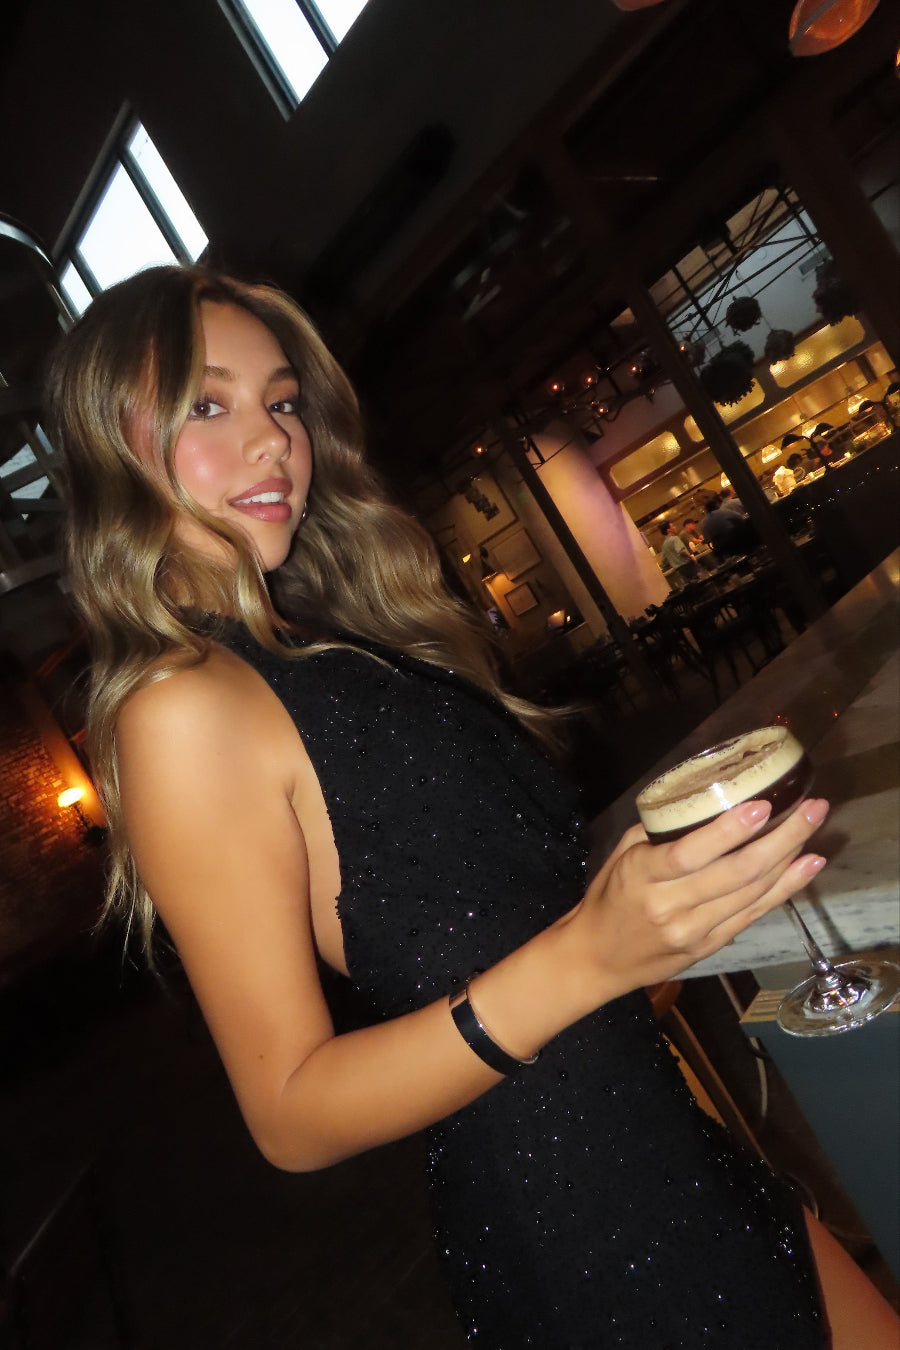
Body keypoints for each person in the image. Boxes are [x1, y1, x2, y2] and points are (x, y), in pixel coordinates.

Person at [46, 265, 898, 1350]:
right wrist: (594, 956)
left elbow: (494, 917)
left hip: (652, 1141)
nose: (272, 441)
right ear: (108, 441)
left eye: (284, 402)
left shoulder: (319, 651)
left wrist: (643, 932)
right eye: (208, 404)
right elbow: (291, 1112)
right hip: (579, 1217)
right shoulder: (181, 706)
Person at [658, 520, 696, 588]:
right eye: (673, 526)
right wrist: (691, 557)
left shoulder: (664, 545)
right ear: (669, 530)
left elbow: (663, 561)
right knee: (697, 584)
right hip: (687, 566)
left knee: (690, 587)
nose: (675, 527)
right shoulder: (675, 538)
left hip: (679, 571)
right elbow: (681, 550)